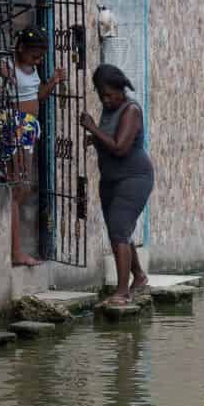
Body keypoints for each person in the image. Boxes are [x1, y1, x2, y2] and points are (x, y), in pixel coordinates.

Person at [82, 64, 153, 307]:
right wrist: (94, 140)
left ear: (121, 90)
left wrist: (93, 129)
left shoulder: (131, 110)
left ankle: (122, 292)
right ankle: (140, 277)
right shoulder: (109, 108)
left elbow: (121, 147)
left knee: (118, 230)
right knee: (119, 228)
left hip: (134, 177)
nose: (106, 100)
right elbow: (109, 139)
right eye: (102, 95)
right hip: (111, 178)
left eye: (110, 95)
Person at [5, 28, 60, 267]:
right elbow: (2, 95)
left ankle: (18, 250)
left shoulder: (32, 68)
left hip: (29, 126)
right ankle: (16, 252)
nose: (38, 61)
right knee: (19, 187)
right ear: (20, 49)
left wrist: (54, 81)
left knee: (23, 187)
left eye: (40, 57)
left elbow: (37, 97)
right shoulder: (7, 66)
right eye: (34, 56)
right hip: (17, 125)